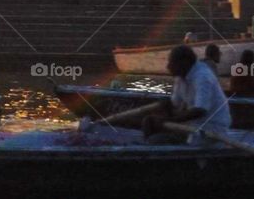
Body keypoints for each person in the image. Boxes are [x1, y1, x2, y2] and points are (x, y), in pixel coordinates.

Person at [87, 45, 231, 140]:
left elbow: (200, 111)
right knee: (148, 122)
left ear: (184, 62)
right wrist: (163, 110)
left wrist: (167, 121)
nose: (168, 67)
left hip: (211, 129)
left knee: (157, 139)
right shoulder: (181, 77)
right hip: (193, 125)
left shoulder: (202, 77)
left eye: (172, 63)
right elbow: (175, 105)